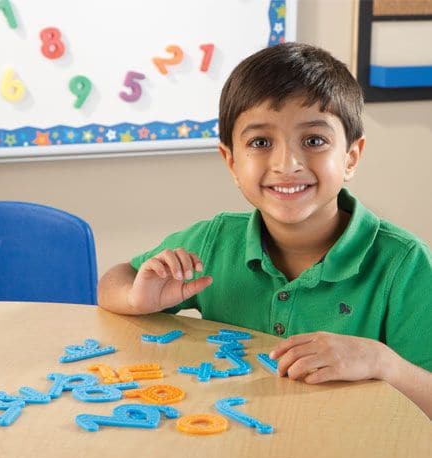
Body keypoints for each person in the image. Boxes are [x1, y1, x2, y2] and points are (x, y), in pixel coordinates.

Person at [98, 43, 432, 418]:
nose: (286, 164)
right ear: (231, 162)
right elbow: (116, 279)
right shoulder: (214, 241)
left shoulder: (405, 264)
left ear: (351, 157)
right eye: (260, 142)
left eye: (314, 140)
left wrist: (383, 363)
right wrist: (135, 299)